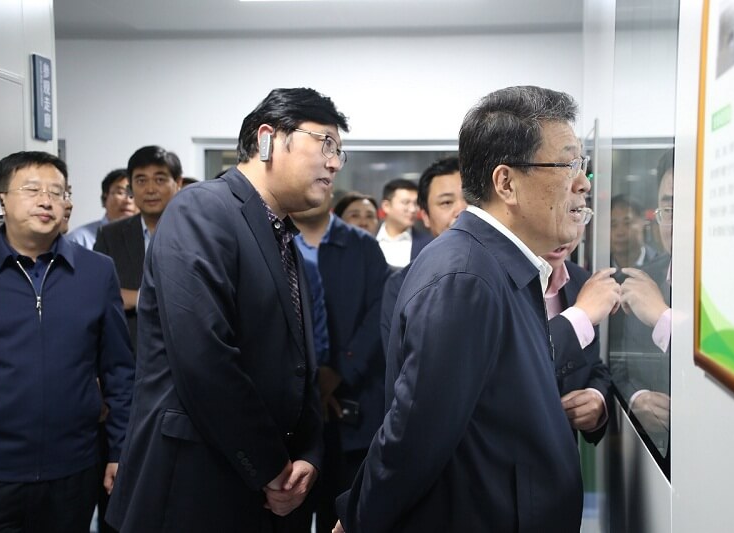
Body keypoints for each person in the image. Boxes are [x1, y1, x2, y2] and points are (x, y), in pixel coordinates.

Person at [335, 85, 593, 533]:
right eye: (567, 164)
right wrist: (356, 520)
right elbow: (415, 434)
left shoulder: (500, 265)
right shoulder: (466, 277)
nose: (583, 182)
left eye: (582, 164)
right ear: (506, 183)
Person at [106, 87, 349, 532]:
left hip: (268, 488)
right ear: (268, 139)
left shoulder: (283, 236)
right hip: (196, 486)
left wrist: (309, 455)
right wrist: (272, 467)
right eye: (326, 144)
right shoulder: (202, 209)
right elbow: (204, 358)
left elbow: (301, 367)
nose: (334, 163)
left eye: (339, 152)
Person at [0, 151, 134, 532]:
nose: (46, 200)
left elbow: (119, 371)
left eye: (57, 191)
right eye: (32, 189)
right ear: (0, 201)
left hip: (74, 467)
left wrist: (120, 450)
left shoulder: (96, 271)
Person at [290, 186, 390, 532]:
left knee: (346, 513)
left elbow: (378, 315)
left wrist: (337, 373)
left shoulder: (362, 246)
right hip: (292, 408)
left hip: (355, 404)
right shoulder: (274, 240)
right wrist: (310, 385)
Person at [611, 149, 674, 450]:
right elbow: (619, 366)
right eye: (669, 209)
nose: (676, 222)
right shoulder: (640, 280)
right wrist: (635, 400)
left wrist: (664, 319)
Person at [94, 146, 183, 351]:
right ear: (131, 187)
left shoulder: (196, 232)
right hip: (126, 351)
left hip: (182, 350)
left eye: (160, 179)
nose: (150, 189)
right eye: (141, 181)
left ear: (178, 183)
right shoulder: (110, 235)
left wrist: (133, 298)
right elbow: (97, 292)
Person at [543, 218, 619, 444]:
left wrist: (596, 397)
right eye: (558, 211)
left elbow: (592, 364)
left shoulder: (582, 282)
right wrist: (578, 317)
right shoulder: (494, 282)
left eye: (577, 212)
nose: (567, 231)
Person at [379, 156, 467, 346]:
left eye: (471, 199)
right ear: (425, 216)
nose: (462, 210)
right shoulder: (402, 284)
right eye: (446, 202)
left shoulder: (512, 275)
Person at [67, 169, 137, 249]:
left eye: (133, 193)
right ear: (105, 197)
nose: (128, 200)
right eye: (120, 192)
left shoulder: (146, 238)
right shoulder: (78, 240)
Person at [376, 178, 431, 268]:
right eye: (406, 203)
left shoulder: (428, 244)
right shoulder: (369, 240)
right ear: (386, 206)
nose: (413, 209)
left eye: (416, 203)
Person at [609, 194, 657, 268]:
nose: (620, 232)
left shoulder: (662, 266)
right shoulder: (596, 267)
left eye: (627, 223)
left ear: (644, 224)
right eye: (613, 225)